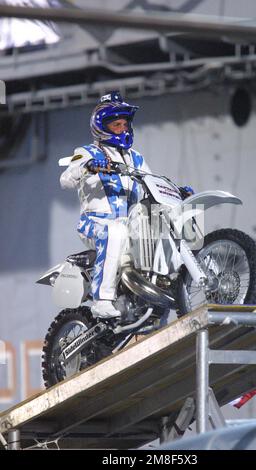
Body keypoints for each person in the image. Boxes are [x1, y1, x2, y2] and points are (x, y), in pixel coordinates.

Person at [60, 91, 194, 320]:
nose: (122, 128)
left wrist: (176, 191)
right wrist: (88, 167)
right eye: (116, 124)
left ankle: (173, 284)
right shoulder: (85, 152)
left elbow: (152, 183)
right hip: (95, 223)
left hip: (131, 222)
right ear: (103, 127)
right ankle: (103, 300)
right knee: (117, 231)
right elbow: (65, 179)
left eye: (125, 124)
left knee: (161, 221)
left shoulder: (136, 158)